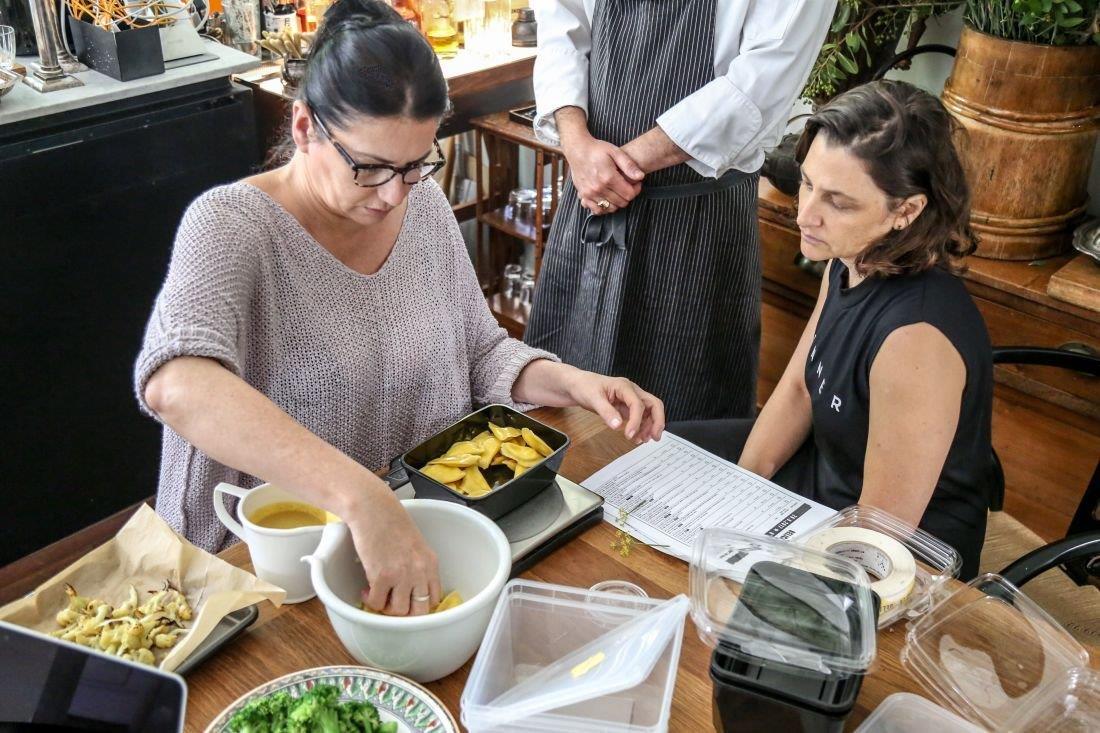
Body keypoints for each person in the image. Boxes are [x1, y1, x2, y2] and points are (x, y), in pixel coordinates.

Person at [134, 0, 664, 617]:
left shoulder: (424, 207)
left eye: (415, 166)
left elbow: (479, 348)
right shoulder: (231, 226)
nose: (392, 195)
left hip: (403, 547)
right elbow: (177, 384)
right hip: (262, 582)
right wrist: (362, 497)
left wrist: (577, 383)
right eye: (369, 168)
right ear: (305, 128)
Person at [669, 80, 993, 579]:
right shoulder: (852, 257)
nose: (806, 214)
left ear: (906, 211)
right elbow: (800, 388)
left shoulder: (916, 340)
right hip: (826, 475)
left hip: (900, 550)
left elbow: (877, 537)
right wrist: (734, 496)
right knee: (662, 462)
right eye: (807, 183)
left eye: (839, 202)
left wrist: (741, 557)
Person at [523, 0, 836, 421]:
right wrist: (578, 145)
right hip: (591, 193)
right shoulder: (592, 170)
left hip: (698, 220)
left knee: (681, 420)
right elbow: (561, 23)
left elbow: (762, 81)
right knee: (561, 407)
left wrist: (616, 168)